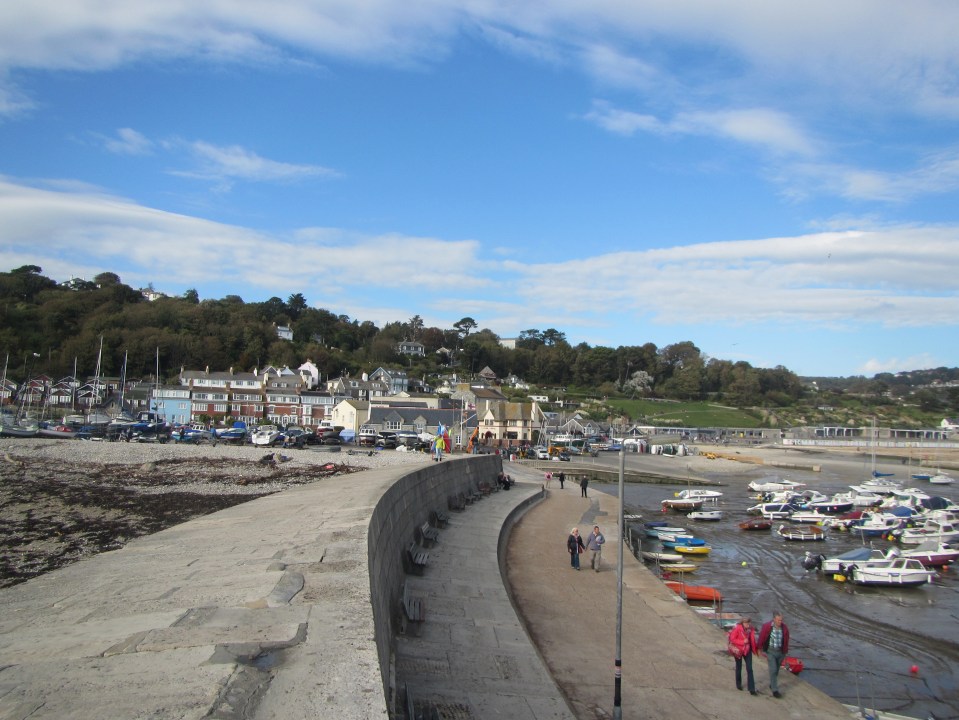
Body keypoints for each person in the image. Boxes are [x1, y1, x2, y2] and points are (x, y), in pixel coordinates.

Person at [757, 611, 790, 698]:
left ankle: (772, 684)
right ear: (774, 619)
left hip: (780, 652)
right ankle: (775, 690)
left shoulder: (784, 628)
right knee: (773, 669)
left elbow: (786, 640)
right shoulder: (767, 626)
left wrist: (785, 652)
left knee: (777, 669)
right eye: (778, 620)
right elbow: (762, 637)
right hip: (770, 651)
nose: (780, 622)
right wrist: (759, 648)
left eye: (781, 620)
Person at [728, 617, 758, 695]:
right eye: (746, 623)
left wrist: (755, 648)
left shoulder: (750, 629)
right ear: (743, 623)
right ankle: (738, 684)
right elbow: (732, 639)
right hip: (738, 650)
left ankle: (751, 689)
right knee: (739, 666)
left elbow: (752, 640)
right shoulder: (737, 628)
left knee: (750, 669)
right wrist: (742, 642)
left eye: (749, 623)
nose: (748, 624)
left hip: (747, 650)